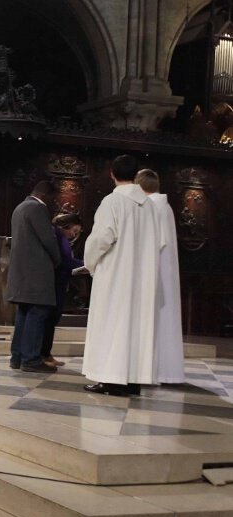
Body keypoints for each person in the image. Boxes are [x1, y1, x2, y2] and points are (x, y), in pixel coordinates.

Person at [83, 155, 163, 395]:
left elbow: (102, 238)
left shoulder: (112, 201)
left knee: (112, 324)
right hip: (143, 277)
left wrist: (90, 263)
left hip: (116, 275)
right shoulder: (149, 205)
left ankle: (111, 379)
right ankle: (133, 378)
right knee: (135, 326)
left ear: (112, 174)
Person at [4, 182, 61, 374]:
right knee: (37, 313)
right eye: (52, 198)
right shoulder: (37, 208)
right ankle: (31, 359)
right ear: (45, 195)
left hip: (22, 273)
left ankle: (17, 357)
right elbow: (48, 239)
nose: (52, 202)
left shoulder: (20, 207)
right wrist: (57, 259)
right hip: (36, 273)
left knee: (24, 313)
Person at [137, 168, 185, 384]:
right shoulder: (164, 206)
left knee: (154, 320)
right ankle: (165, 370)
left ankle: (154, 370)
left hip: (154, 274)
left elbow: (150, 243)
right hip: (164, 274)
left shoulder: (152, 207)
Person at [42, 213, 85, 367]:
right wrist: (84, 264)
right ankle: (44, 354)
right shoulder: (58, 236)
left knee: (52, 320)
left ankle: (46, 354)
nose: (74, 235)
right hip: (55, 283)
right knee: (50, 320)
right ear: (66, 225)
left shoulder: (61, 237)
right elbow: (64, 261)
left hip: (60, 282)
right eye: (73, 231)